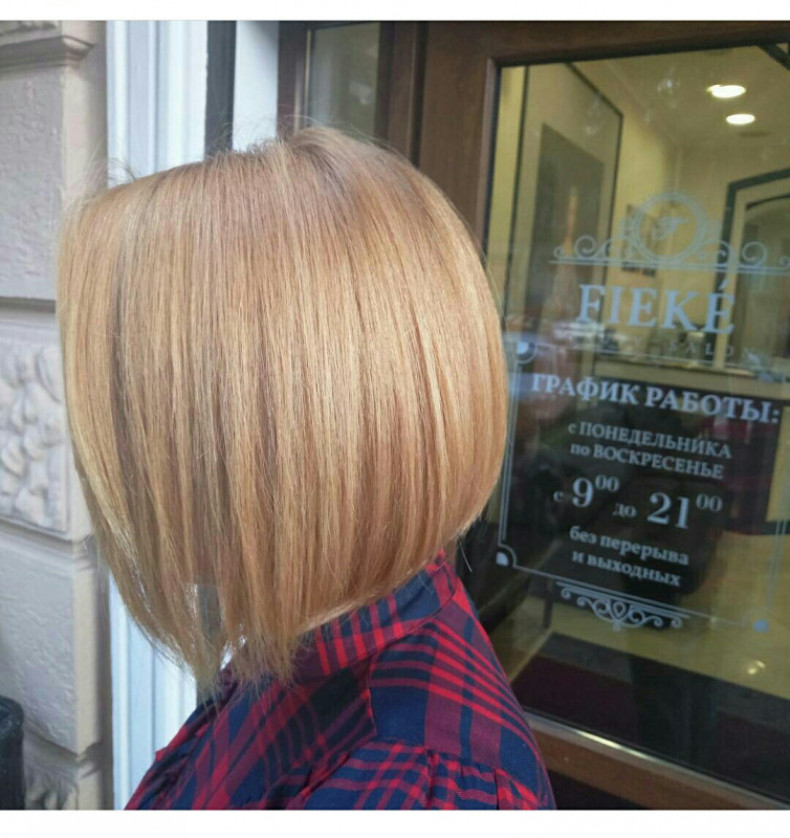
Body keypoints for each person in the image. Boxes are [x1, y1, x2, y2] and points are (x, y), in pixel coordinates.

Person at [56, 127, 555, 810]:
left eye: (140, 404)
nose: (120, 452)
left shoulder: (420, 791)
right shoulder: (312, 626)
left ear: (278, 439)